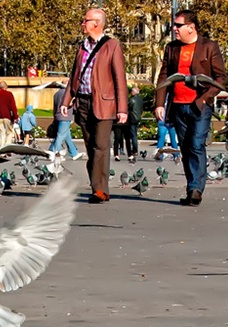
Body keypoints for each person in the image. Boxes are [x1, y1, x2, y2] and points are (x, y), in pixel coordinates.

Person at [153, 9, 227, 206]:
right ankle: (191, 187)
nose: (174, 29)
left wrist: (205, 98)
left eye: (178, 25)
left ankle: (196, 188)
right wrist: (159, 103)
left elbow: (220, 78)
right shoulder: (171, 48)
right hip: (177, 105)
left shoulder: (209, 46)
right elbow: (164, 76)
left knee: (196, 144)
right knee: (186, 148)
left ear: (191, 27)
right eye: (174, 25)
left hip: (200, 105)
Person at [59, 8, 128, 204]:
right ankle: (97, 185)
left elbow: (120, 79)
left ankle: (100, 189)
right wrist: (66, 101)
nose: (83, 24)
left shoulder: (112, 46)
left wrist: (122, 108)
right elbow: (75, 76)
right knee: (91, 147)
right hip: (83, 102)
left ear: (96, 23)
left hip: (104, 104)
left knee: (101, 146)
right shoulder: (82, 47)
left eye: (86, 20)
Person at [50, 79, 82, 160]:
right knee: (61, 135)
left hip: (58, 116)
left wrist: (54, 117)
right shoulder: (67, 94)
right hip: (65, 116)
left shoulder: (56, 94)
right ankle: (55, 153)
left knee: (67, 136)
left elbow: (54, 107)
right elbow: (70, 104)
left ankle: (74, 153)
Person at [0, 81, 18, 147]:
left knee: (1, 133)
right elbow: (13, 107)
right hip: (7, 117)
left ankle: (1, 148)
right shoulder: (9, 94)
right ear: (6, 87)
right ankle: (6, 147)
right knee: (9, 132)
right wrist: (15, 117)